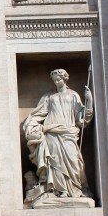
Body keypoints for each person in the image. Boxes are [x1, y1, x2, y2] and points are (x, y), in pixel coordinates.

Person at [23, 68, 93, 201]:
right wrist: (31, 125)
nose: (56, 82)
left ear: (65, 79)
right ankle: (60, 191)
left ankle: (75, 189)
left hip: (68, 132)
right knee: (55, 162)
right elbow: (39, 113)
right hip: (52, 132)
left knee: (73, 160)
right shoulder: (49, 97)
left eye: (59, 79)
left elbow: (82, 119)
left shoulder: (73, 95)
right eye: (54, 80)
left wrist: (89, 101)